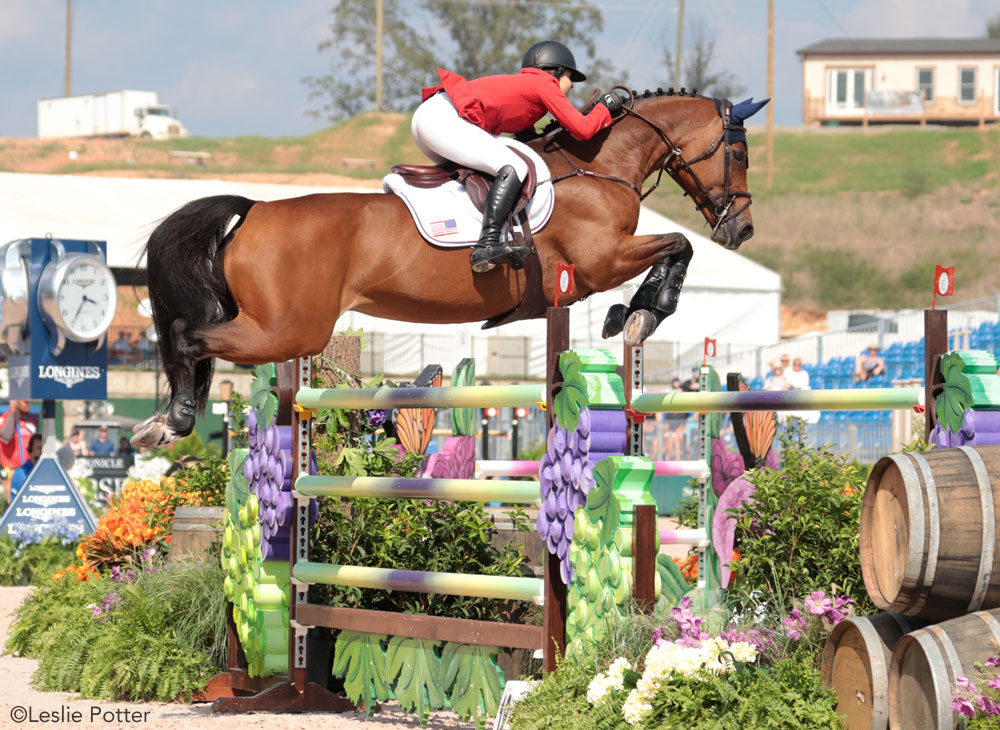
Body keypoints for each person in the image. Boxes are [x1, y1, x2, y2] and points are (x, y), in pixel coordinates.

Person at [411, 40, 630, 273]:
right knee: (513, 166)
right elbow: (584, 130)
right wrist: (604, 107)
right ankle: (487, 245)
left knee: (492, 169)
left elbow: (529, 140)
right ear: (554, 72)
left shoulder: (526, 87)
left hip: (430, 118)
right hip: (442, 120)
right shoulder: (544, 84)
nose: (572, 87)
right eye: (569, 77)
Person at [0, 400, 36, 501]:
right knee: (14, 505)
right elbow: (7, 435)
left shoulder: (28, 422)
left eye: (29, 402)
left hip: (27, 469)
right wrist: (12, 414)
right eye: (26, 402)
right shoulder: (4, 419)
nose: (29, 405)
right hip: (12, 471)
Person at [10, 433, 42, 501]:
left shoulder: (49, 473)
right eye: (39, 448)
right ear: (30, 450)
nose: (42, 452)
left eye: (43, 448)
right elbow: (14, 502)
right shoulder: (20, 473)